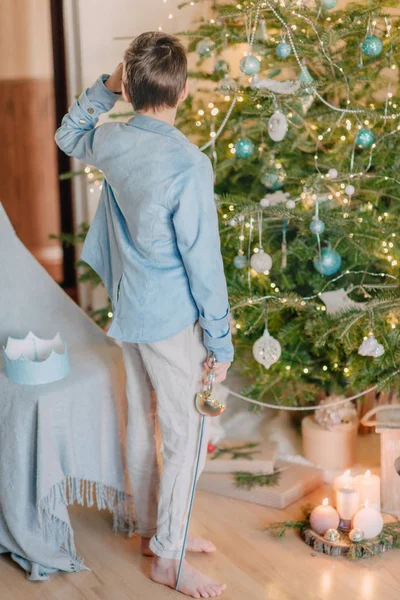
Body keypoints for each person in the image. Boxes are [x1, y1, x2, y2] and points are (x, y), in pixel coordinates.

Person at [55, 31, 233, 599]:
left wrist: (107, 87)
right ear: (182, 89)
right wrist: (221, 341)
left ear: (128, 87)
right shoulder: (188, 165)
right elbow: (204, 267)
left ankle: (153, 531)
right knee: (188, 434)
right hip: (171, 320)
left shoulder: (112, 140)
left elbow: (67, 132)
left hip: (129, 309)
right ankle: (169, 560)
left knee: (144, 421)